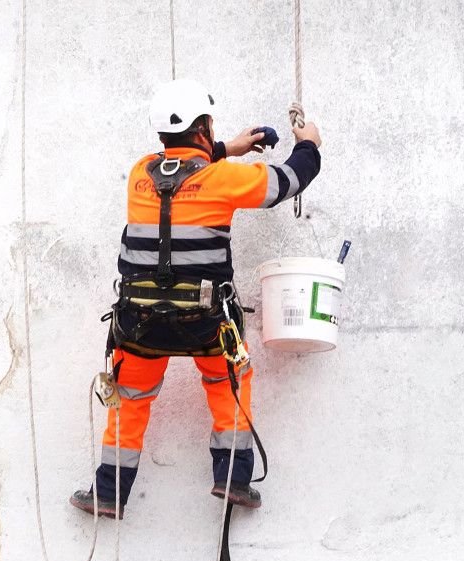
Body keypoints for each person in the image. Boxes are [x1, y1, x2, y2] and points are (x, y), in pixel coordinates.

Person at [69, 79, 322, 520]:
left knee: (129, 401)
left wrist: (229, 146)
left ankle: (107, 492)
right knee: (230, 383)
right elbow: (290, 181)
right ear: (203, 127)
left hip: (139, 324)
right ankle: (232, 479)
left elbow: (181, 172)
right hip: (205, 322)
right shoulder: (223, 178)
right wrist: (310, 145)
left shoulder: (139, 174)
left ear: (162, 135)